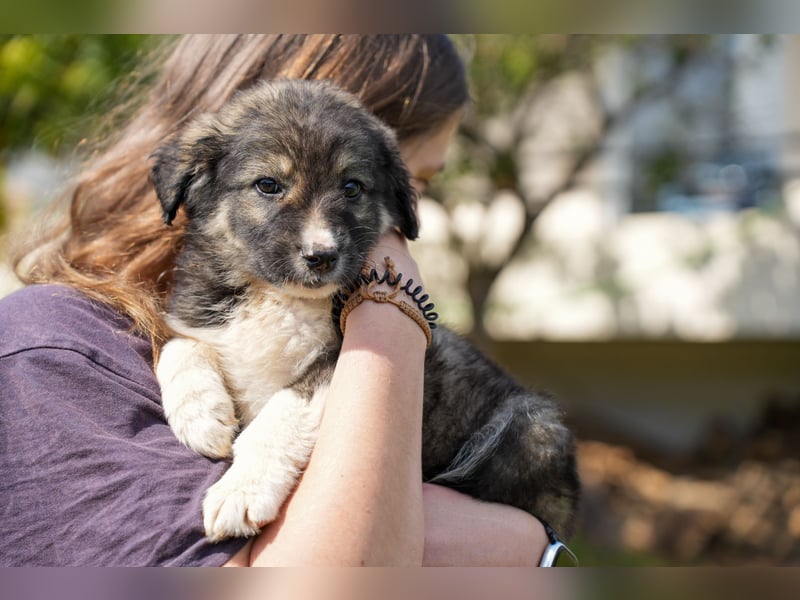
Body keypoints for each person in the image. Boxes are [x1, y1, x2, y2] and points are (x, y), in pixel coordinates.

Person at [0, 34, 549, 566]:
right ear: (199, 180)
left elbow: (536, 515)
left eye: (352, 189)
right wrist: (392, 309)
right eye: (270, 186)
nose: (322, 238)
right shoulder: (51, 353)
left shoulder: (367, 317)